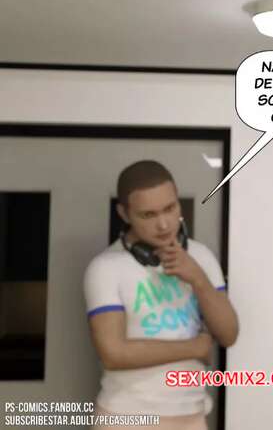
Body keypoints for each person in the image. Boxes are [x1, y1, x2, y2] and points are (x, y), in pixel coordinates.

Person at [84, 160, 239, 430]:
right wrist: (195, 347)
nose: (164, 224)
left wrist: (198, 278)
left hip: (193, 415)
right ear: (124, 213)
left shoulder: (200, 257)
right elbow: (114, 353)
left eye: (170, 208)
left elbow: (228, 334)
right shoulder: (105, 267)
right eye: (148, 215)